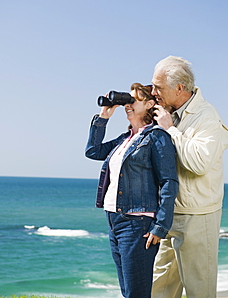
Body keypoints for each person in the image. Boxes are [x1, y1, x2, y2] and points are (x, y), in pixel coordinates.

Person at [85, 83, 179, 298]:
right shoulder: (125, 139)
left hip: (137, 224)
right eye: (126, 100)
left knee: (136, 293)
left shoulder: (156, 136)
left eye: (133, 100)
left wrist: (160, 226)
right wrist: (104, 116)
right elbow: (92, 151)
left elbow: (168, 181)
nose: (127, 104)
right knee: (128, 291)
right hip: (114, 220)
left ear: (149, 104)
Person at [151, 56, 228, 298]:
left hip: (198, 216)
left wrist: (170, 130)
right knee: (159, 289)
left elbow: (199, 163)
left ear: (179, 88)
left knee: (199, 290)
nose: (153, 93)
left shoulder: (207, 118)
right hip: (168, 214)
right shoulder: (169, 113)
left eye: (158, 88)